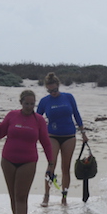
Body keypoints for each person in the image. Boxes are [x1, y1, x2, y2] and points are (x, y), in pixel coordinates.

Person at [0, 89, 54, 214]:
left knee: (21, 196)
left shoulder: (39, 120)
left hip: (28, 161)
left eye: (32, 104)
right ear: (21, 103)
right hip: (8, 160)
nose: (29, 107)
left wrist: (51, 162)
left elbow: (46, 142)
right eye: (26, 103)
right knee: (13, 196)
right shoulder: (12, 115)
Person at [36, 72, 89, 206]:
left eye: (55, 90)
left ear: (58, 86)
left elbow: (76, 114)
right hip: (52, 136)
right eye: (50, 90)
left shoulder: (68, 97)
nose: (53, 92)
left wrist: (83, 132)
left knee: (66, 167)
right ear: (47, 89)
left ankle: (64, 197)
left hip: (69, 136)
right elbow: (37, 119)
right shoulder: (44, 101)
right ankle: (46, 196)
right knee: (51, 165)